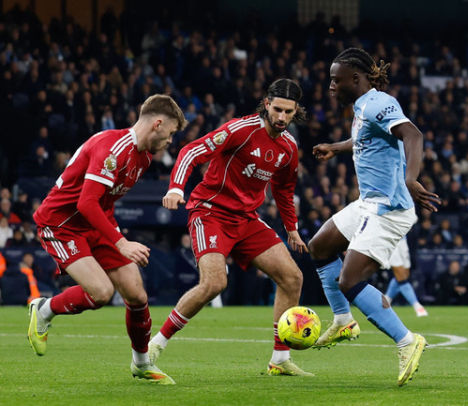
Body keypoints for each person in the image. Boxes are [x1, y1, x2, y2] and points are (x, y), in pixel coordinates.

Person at [148, 79, 312, 377]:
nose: (282, 117)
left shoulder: (289, 147)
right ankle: (155, 345)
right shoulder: (240, 130)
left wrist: (292, 228)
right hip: (210, 212)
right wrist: (175, 188)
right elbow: (190, 152)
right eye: (277, 109)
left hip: (246, 219)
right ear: (266, 104)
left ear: (295, 111)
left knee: (292, 278)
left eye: (288, 112)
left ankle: (280, 358)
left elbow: (285, 190)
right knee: (214, 284)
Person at [27, 94, 187, 384]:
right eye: (172, 134)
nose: (170, 142)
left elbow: (101, 204)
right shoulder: (113, 148)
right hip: (62, 224)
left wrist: (113, 236)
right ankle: (44, 309)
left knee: (137, 295)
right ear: (158, 124)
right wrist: (121, 242)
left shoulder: (144, 157)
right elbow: (86, 203)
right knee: (101, 293)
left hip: (96, 224)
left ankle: (141, 364)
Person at [308, 48, 440, 386]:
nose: (331, 86)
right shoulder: (363, 107)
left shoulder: (379, 102)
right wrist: (336, 148)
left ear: (357, 78)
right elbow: (363, 138)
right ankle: (343, 320)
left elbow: (412, 134)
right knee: (320, 246)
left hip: (389, 208)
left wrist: (411, 178)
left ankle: (407, 341)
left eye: (336, 80)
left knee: (349, 280)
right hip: (368, 203)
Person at [384, 238, 428, 317]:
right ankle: (417, 306)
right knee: (400, 276)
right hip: (391, 240)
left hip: (403, 240)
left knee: (404, 275)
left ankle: (385, 301)